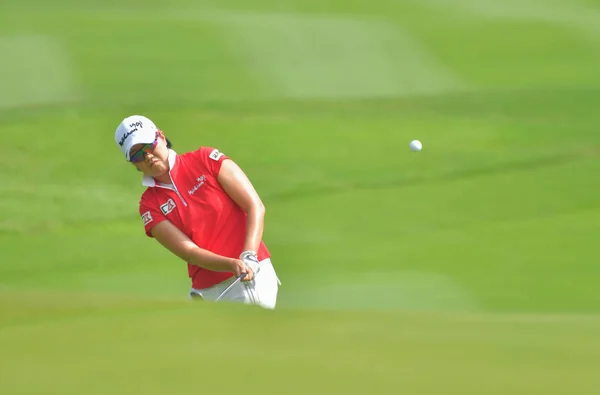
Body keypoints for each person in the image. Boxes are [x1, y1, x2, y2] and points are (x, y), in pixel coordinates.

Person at [114, 114, 280, 309]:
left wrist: (249, 255)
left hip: (249, 277)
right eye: (137, 155)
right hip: (206, 292)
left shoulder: (205, 159)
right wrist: (230, 264)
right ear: (133, 163)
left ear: (160, 136)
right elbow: (190, 252)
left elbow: (254, 206)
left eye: (148, 146)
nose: (147, 156)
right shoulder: (149, 205)